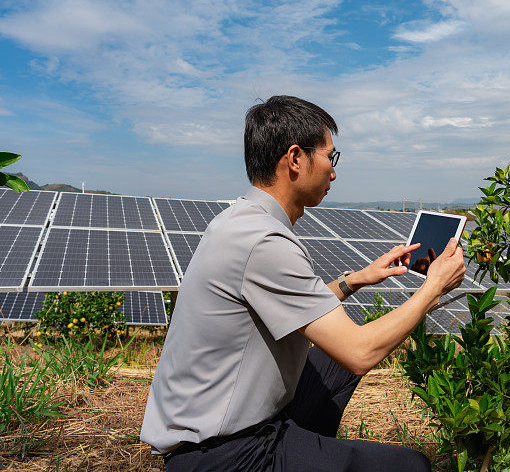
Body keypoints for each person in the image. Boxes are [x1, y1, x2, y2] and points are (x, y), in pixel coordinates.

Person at [140, 95, 466, 471]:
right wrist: (433, 287)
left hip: (220, 435)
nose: (333, 172)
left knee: (331, 361)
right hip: (226, 455)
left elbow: (292, 310)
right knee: (411, 466)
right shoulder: (264, 242)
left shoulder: (241, 221)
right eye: (331, 156)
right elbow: (360, 354)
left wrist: (355, 280)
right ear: (295, 159)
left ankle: (310, 450)